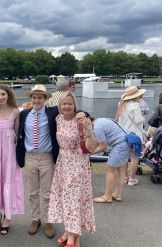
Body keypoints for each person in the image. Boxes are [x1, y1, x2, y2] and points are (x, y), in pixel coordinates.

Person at [48, 92, 96, 247]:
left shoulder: (82, 120)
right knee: (65, 198)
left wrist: (87, 127)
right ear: (60, 105)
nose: (67, 107)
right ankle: (68, 231)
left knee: (73, 199)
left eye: (70, 104)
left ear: (75, 105)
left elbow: (91, 147)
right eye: (64, 104)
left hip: (77, 163)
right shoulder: (58, 119)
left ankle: (73, 236)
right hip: (63, 162)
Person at [16, 84, 59, 238]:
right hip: (30, 157)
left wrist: (83, 114)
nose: (36, 100)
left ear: (45, 99)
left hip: (46, 157)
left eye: (40, 97)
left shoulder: (53, 112)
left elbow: (71, 110)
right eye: (34, 97)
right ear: (30, 99)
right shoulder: (24, 114)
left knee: (48, 193)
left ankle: (49, 221)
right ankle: (35, 219)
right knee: (33, 193)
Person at [0, 84, 24, 235]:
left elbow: (17, 134)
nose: (0, 97)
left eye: (3, 94)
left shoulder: (15, 112)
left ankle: (7, 216)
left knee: (7, 181)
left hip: (9, 153)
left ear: (9, 95)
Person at [91, 118, 133, 203]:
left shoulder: (97, 128)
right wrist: (92, 149)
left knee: (110, 169)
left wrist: (90, 153)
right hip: (127, 142)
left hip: (120, 145)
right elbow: (97, 140)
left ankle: (107, 196)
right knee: (121, 169)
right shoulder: (101, 120)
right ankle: (117, 194)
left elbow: (103, 147)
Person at [115, 86, 145, 186]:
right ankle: (131, 179)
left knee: (124, 157)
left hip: (124, 133)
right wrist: (142, 116)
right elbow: (138, 120)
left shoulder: (121, 104)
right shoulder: (136, 105)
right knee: (134, 156)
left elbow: (119, 120)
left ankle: (124, 177)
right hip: (135, 134)